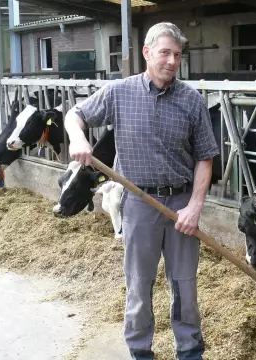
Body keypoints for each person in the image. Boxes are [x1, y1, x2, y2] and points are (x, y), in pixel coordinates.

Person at [64, 22, 220, 360]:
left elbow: (205, 159)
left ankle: (190, 351)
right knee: (139, 282)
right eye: (165, 52)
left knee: (185, 285)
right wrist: (78, 138)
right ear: (147, 53)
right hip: (138, 202)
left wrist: (194, 207)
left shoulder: (192, 101)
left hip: (180, 203)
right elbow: (74, 114)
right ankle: (139, 350)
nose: (172, 61)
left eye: (177, 55)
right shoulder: (119, 92)